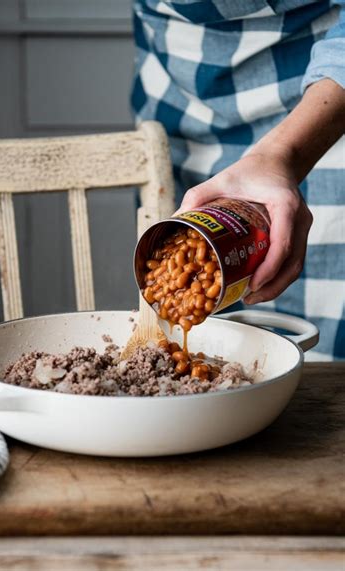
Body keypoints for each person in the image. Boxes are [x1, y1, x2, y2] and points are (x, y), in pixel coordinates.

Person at [132, 0, 345, 360]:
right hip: (176, 92)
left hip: (323, 98)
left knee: (322, 360)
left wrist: (284, 153)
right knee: (194, 344)